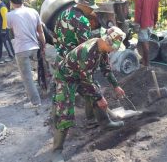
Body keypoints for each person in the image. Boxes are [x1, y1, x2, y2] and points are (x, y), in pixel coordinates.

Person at [51, 26, 126, 162]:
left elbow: (106, 69)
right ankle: (57, 151)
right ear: (106, 41)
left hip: (81, 76)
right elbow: (87, 80)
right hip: (66, 78)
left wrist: (116, 86)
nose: (114, 49)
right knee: (65, 111)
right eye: (114, 46)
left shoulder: (102, 49)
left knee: (97, 93)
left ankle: (105, 123)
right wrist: (99, 98)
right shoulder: (88, 52)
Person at [53, 0, 100, 125]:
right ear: (84, 5)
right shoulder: (82, 21)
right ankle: (92, 120)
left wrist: (61, 51)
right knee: (91, 88)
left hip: (61, 58)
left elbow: (55, 37)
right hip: (75, 62)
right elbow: (86, 47)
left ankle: (56, 121)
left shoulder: (63, 14)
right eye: (91, 7)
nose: (92, 10)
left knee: (60, 92)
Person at [7, 0, 46, 108]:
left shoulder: (10, 15)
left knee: (27, 77)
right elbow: (40, 31)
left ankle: (35, 102)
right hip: (35, 46)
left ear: (11, 1)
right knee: (42, 69)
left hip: (21, 49)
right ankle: (45, 91)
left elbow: (13, 31)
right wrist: (43, 46)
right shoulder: (33, 11)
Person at [134, 0, 160, 68]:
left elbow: (138, 11)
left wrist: (136, 22)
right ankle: (144, 60)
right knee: (146, 41)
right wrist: (155, 21)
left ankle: (147, 63)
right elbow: (156, 10)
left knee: (144, 43)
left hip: (143, 23)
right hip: (151, 22)